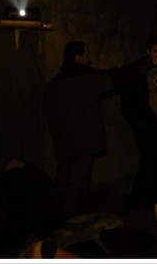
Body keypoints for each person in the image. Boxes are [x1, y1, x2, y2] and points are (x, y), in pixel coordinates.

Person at [43, 41, 119, 217]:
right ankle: (72, 220)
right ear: (79, 58)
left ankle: (56, 217)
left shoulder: (53, 86)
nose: (88, 60)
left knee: (63, 180)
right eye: (86, 56)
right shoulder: (86, 82)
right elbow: (113, 79)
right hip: (82, 143)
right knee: (78, 184)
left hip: (63, 143)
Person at [120, 34, 157, 211]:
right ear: (148, 51)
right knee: (148, 162)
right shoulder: (138, 69)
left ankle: (156, 200)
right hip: (148, 124)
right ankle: (136, 203)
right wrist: (140, 123)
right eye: (155, 51)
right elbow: (128, 93)